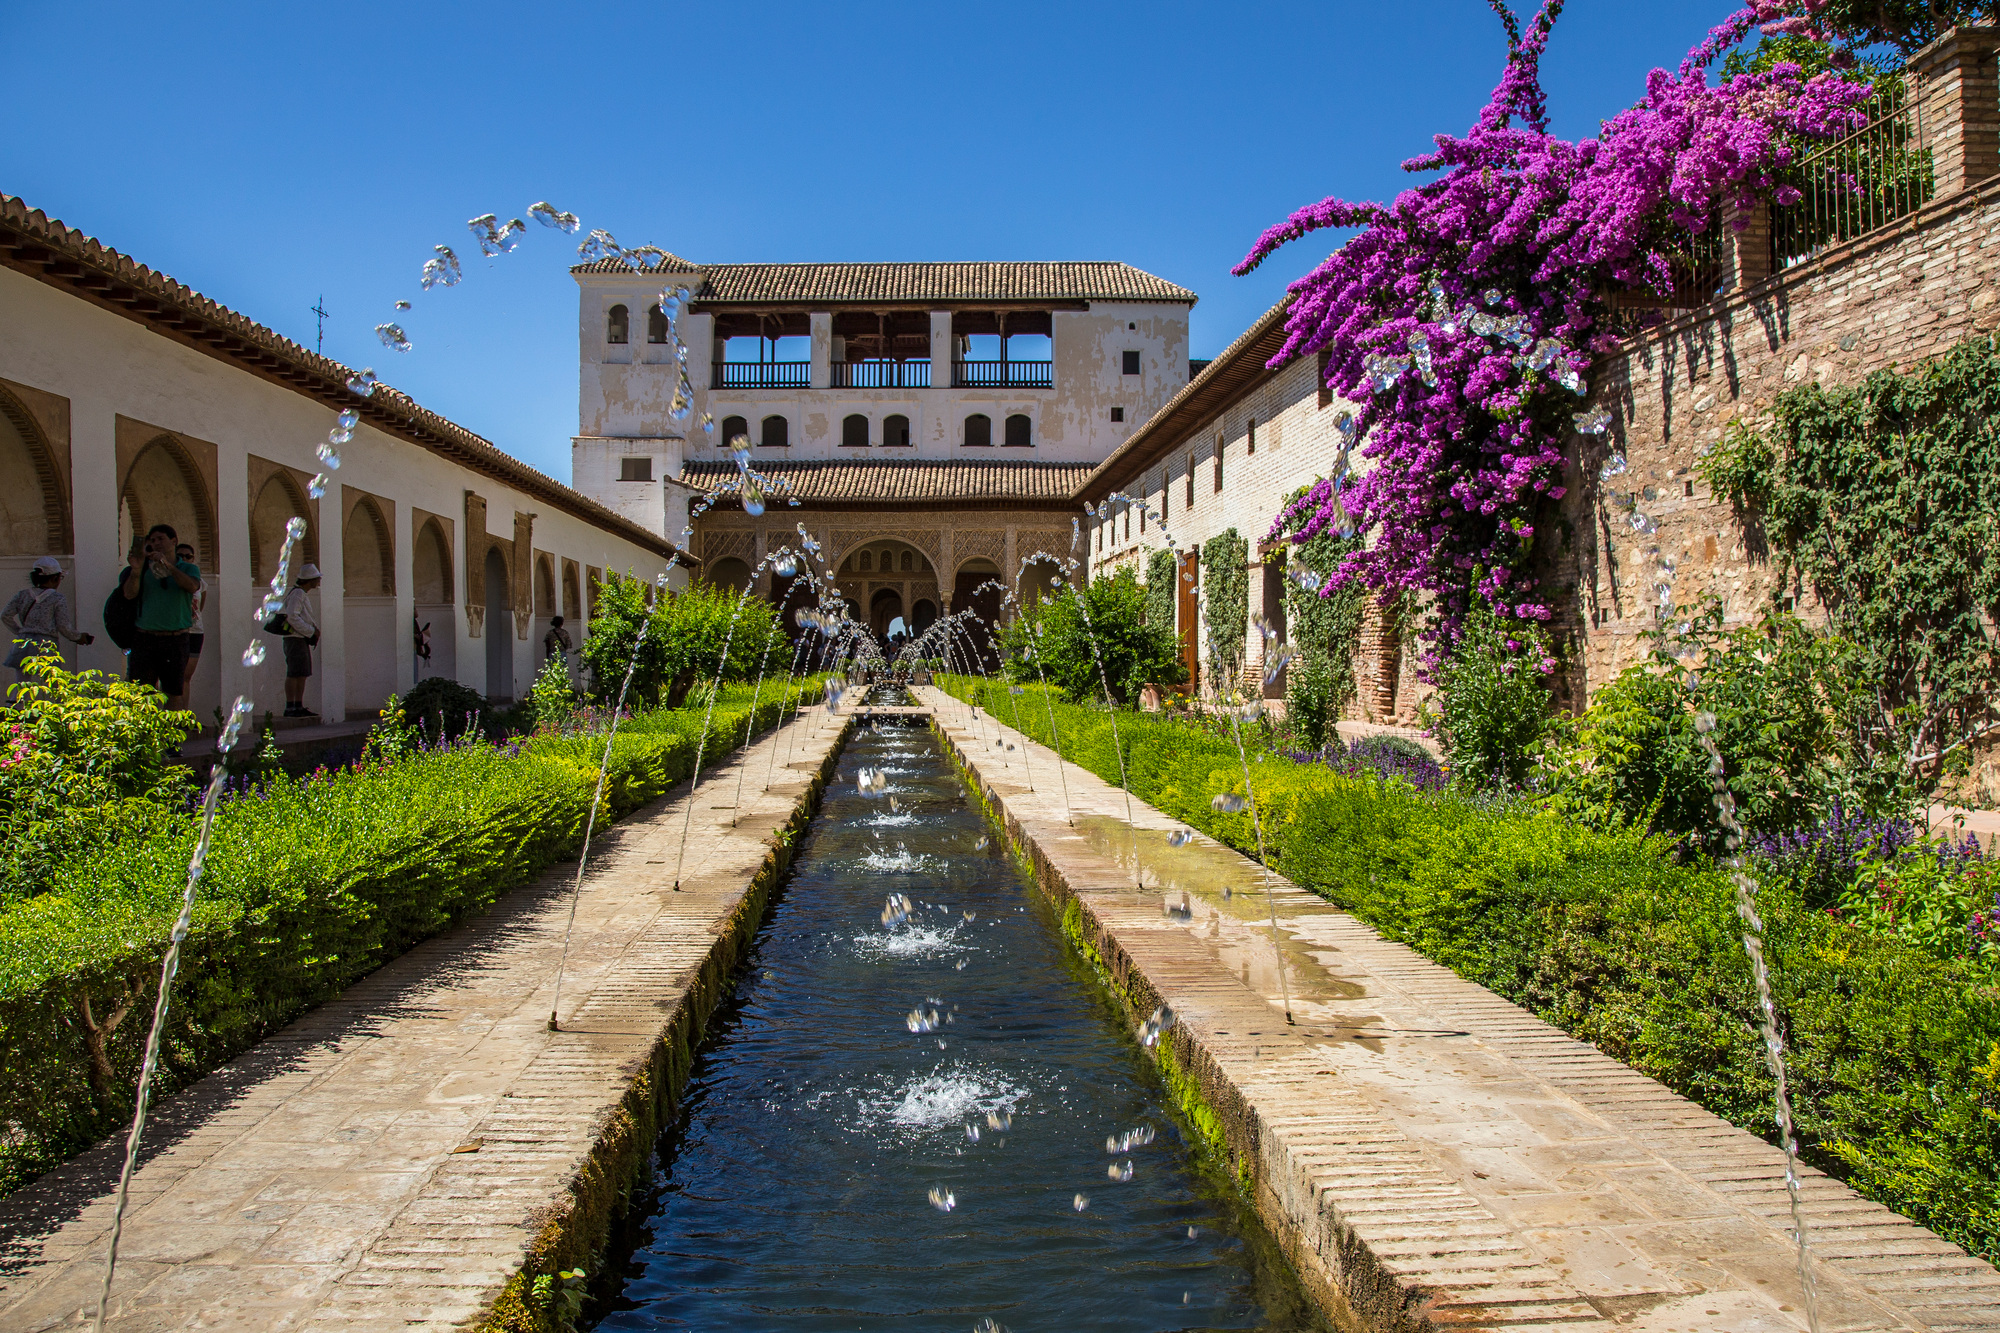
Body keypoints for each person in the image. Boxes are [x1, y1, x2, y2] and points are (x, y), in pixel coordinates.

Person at [121, 523, 200, 710]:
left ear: (173, 541)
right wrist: (136, 570)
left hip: (175, 638)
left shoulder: (187, 568)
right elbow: (129, 594)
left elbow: (191, 586)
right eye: (153, 540)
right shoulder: (144, 569)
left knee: (173, 691)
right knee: (142, 692)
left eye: (160, 539)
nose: (156, 543)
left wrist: (167, 564)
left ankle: (172, 736)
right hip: (145, 637)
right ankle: (146, 735)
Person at [2, 556, 93, 686]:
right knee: (54, 686)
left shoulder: (22, 595)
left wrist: (20, 632)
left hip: (23, 643)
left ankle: (17, 706)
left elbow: (5, 615)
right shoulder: (57, 598)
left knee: (21, 686)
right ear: (55, 578)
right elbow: (63, 626)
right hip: (46, 646)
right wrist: (78, 637)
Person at [278, 563, 322, 718]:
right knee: (295, 672)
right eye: (316, 579)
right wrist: (310, 632)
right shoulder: (298, 594)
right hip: (295, 638)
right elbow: (292, 616)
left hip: (299, 639)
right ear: (309, 580)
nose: (318, 582)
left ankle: (297, 705)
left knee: (301, 673)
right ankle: (292, 706)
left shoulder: (300, 594)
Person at [177, 542, 205, 697]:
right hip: (178, 630)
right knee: (173, 676)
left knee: (186, 677)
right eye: (180, 555)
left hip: (195, 631)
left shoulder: (201, 583)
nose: (184, 559)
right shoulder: (172, 577)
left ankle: (184, 716)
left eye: (188, 556)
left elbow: (200, 606)